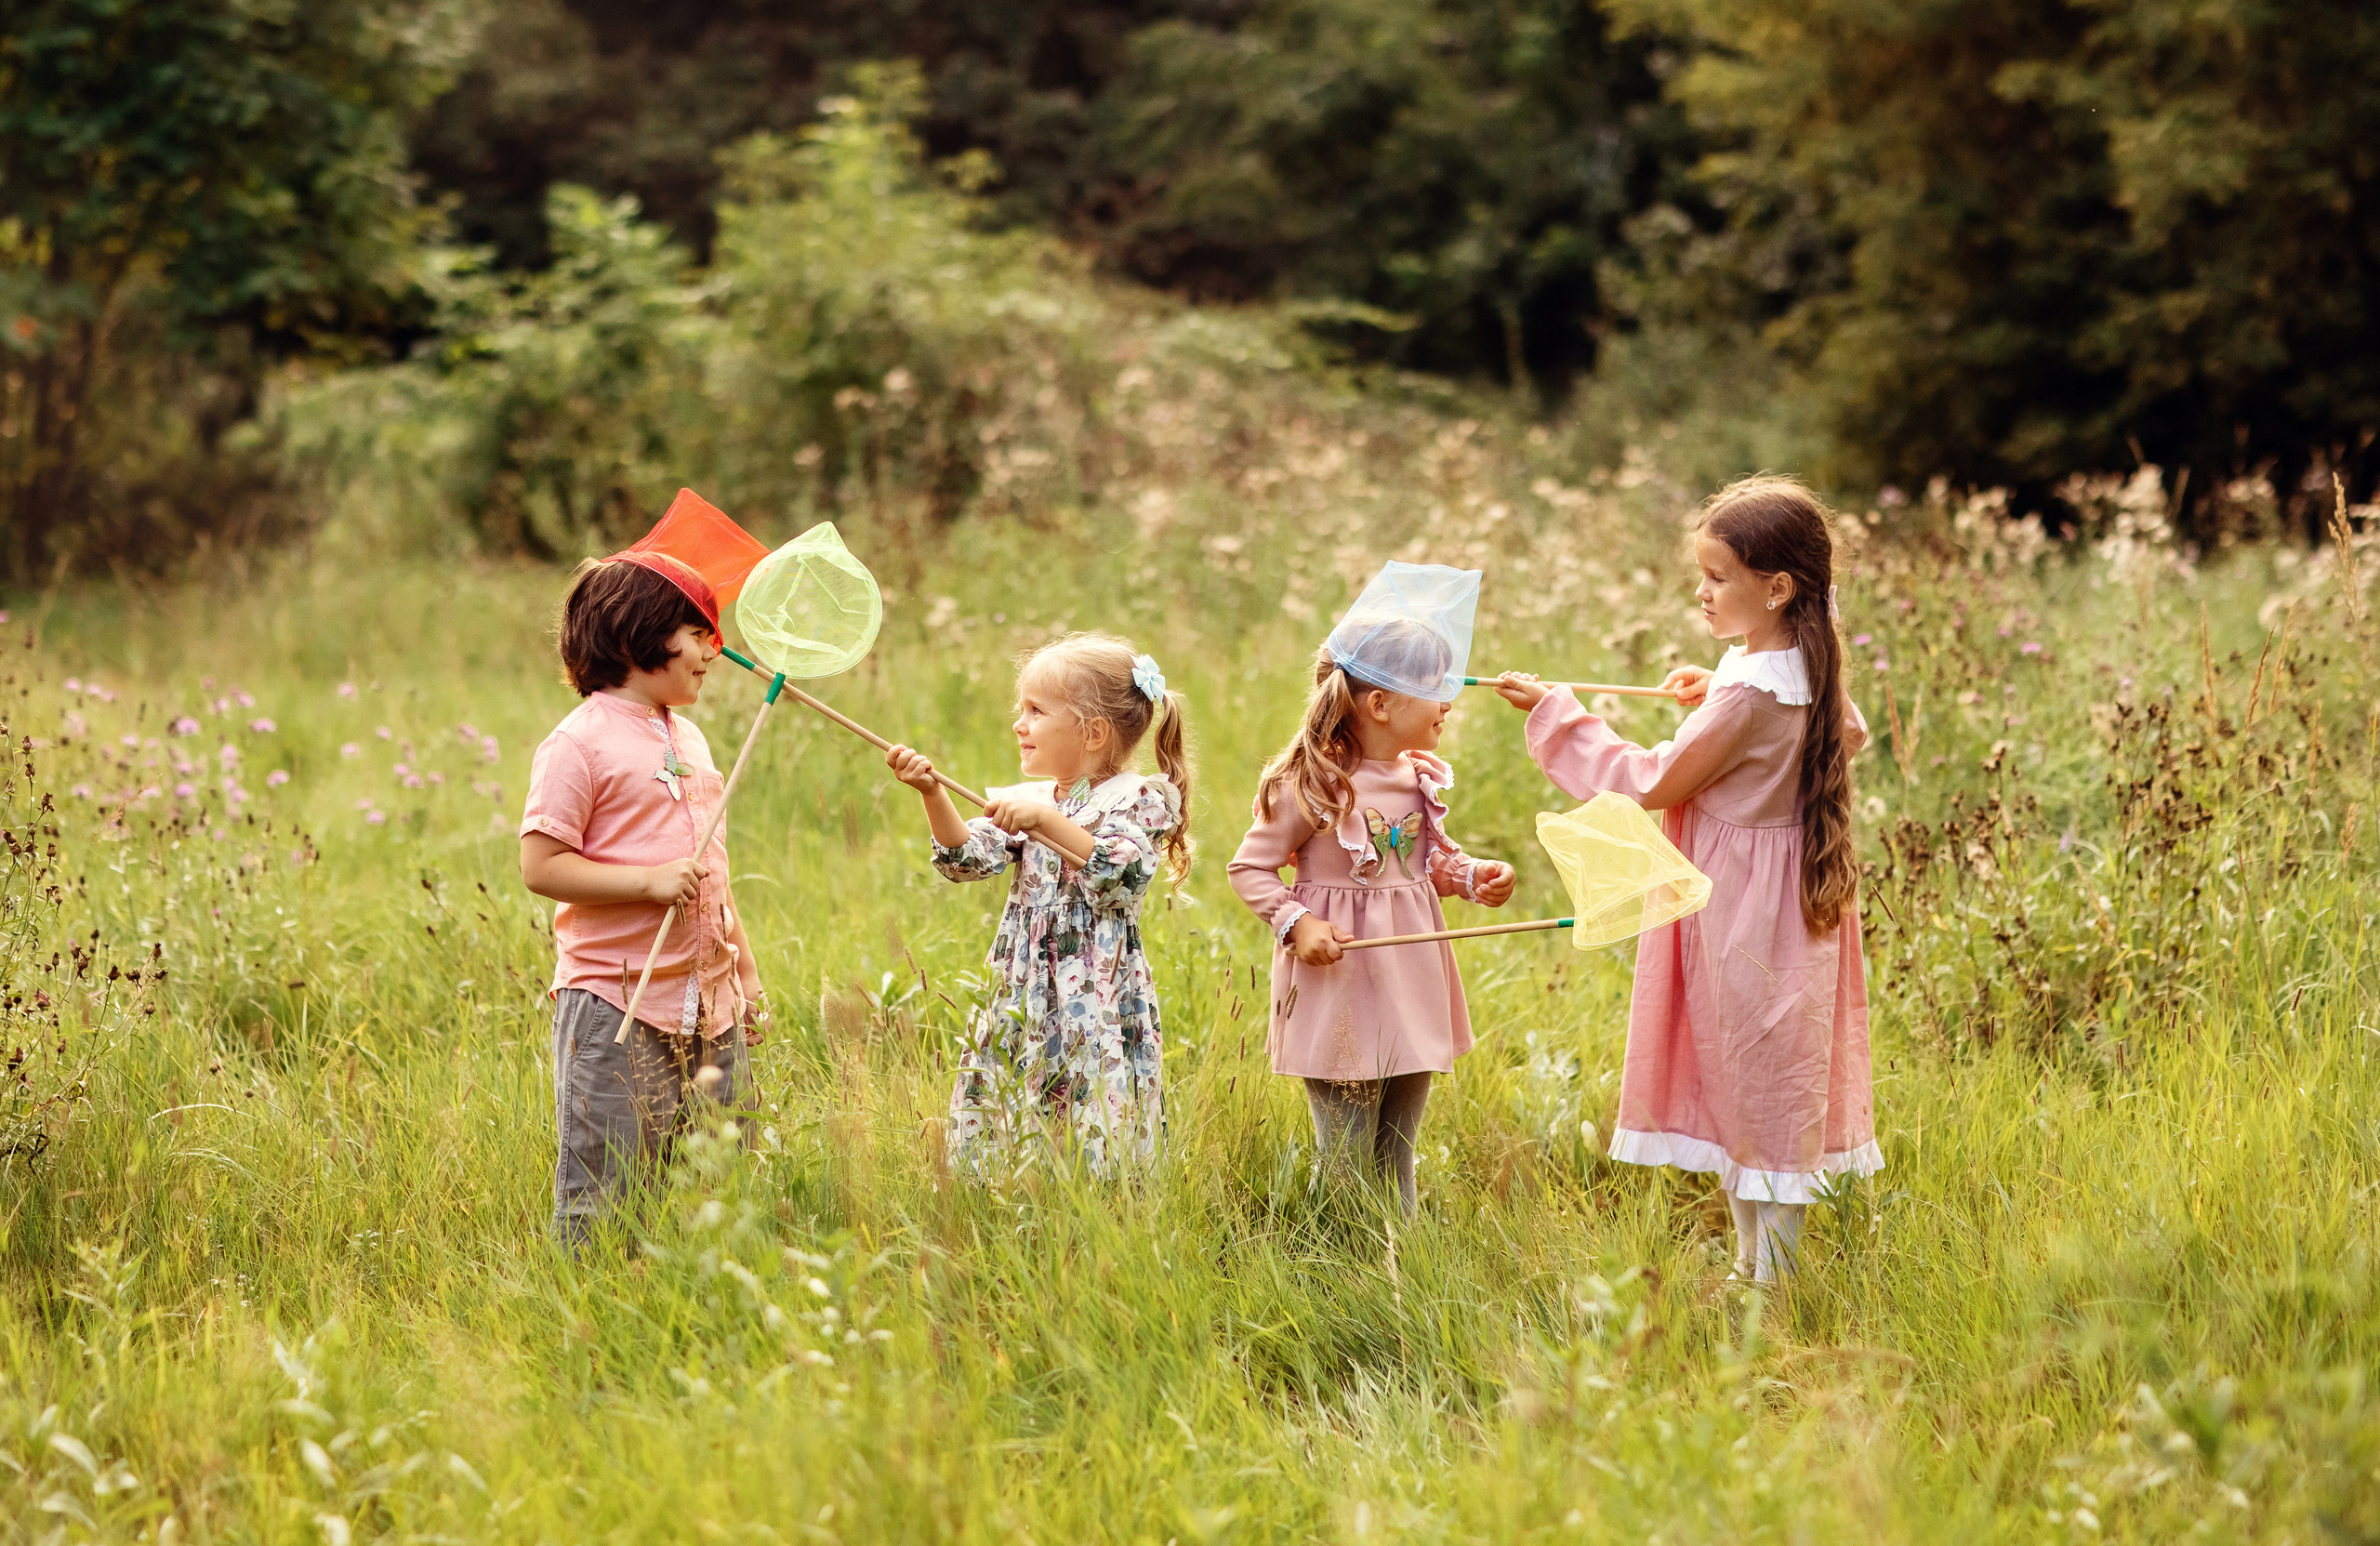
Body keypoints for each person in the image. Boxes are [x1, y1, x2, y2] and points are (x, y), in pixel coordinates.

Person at [1496, 474, 1878, 1282]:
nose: (1701, 594)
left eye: (1716, 578)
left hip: (1735, 904)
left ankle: (1769, 1279)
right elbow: (1847, 730)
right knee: (1763, 1070)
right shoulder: (1800, 665)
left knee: (1750, 1071)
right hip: (1790, 901)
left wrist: (1559, 712)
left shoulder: (1751, 693)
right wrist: (1719, 694)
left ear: (1776, 588)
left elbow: (1650, 780)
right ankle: (1758, 1266)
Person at [1231, 606, 1515, 1216]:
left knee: (1399, 1142)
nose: (1450, 698)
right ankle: (1340, 1255)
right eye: (1435, 686)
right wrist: (1297, 922)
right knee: (1344, 1148)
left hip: (1410, 974)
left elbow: (1422, 862)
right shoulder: (1315, 783)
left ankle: (1402, 1259)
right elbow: (1249, 869)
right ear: (1381, 704)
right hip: (1341, 979)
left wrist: (1471, 876)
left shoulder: (1420, 779)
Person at [520, 554, 764, 1247]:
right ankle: (597, 1316)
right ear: (637, 633)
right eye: (696, 631)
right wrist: (647, 883)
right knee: (609, 1189)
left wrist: (745, 971)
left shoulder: (688, 735)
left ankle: (701, 1304)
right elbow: (540, 865)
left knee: (723, 1179)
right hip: (617, 1002)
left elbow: (711, 866)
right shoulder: (578, 743)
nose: (712, 649)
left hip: (709, 1002)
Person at [885, 632, 1192, 1174]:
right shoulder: (1031, 799)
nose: (1018, 724)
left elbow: (1120, 873)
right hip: (1024, 985)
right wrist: (934, 794)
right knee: (1016, 1086)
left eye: (1035, 711)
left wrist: (1047, 822)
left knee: (1088, 1097)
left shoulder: (1133, 799)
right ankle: (1014, 1192)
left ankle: (1092, 1202)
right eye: (1019, 709)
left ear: (1093, 732)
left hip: (1091, 994)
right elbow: (967, 859)